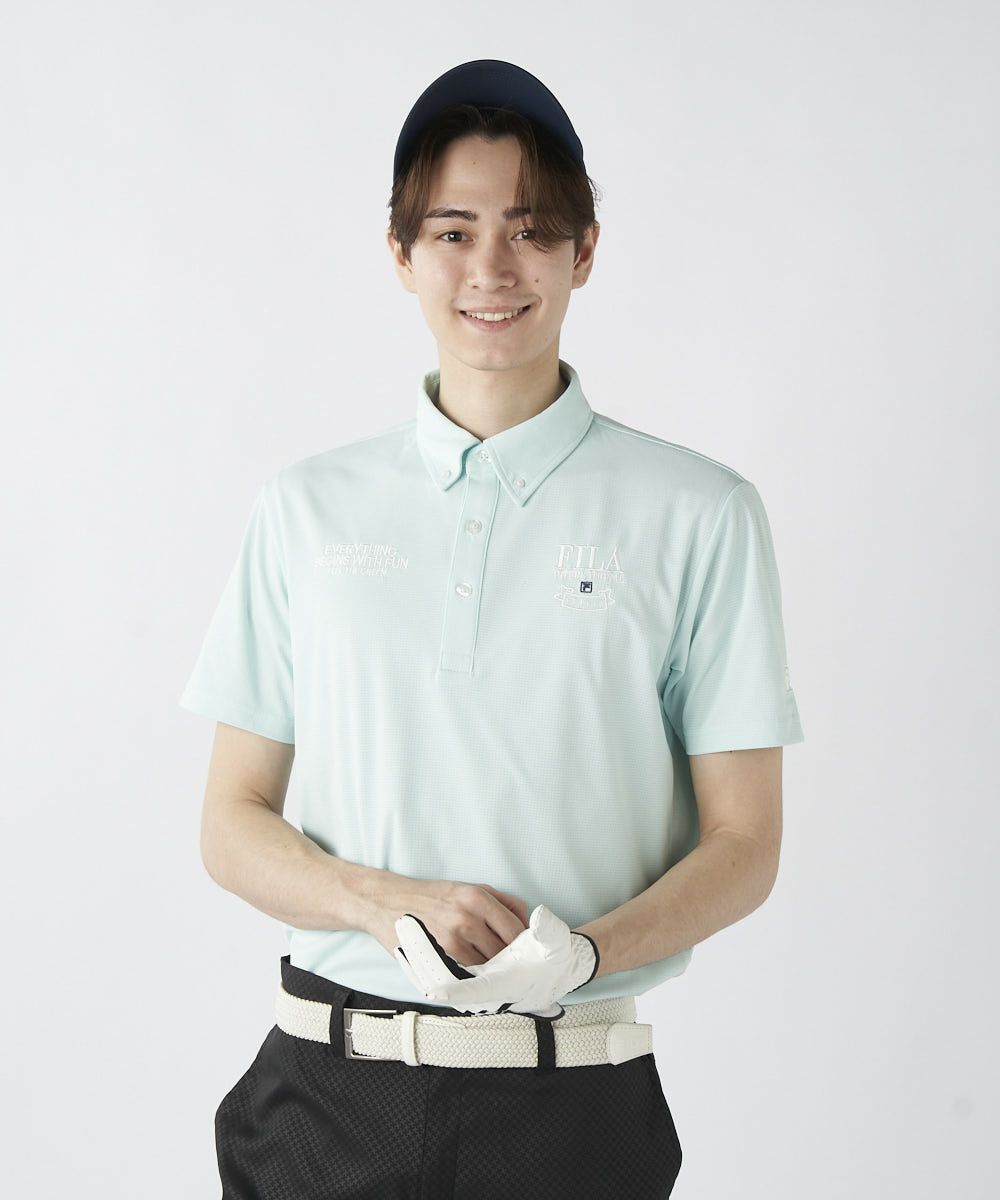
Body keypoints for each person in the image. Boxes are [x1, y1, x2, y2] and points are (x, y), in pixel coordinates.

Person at [179, 58, 805, 1200]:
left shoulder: (698, 512)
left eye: (530, 230)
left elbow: (746, 841)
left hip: (572, 1110)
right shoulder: (306, 508)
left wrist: (586, 954)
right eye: (453, 232)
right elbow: (230, 823)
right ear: (400, 254)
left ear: (584, 250)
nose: (491, 270)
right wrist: (386, 904)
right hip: (321, 1099)